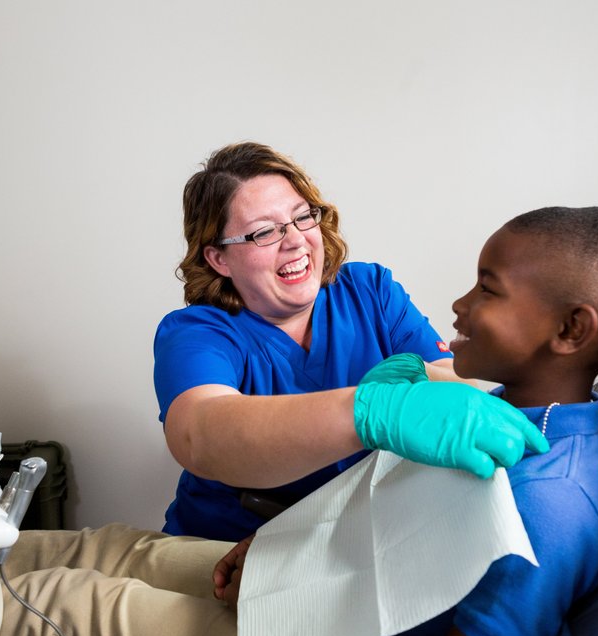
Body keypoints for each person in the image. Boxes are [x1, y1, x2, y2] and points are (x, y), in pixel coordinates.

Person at [213, 206, 598, 636]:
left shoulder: (549, 505)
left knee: (136, 593)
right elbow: (395, 532)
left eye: (488, 289)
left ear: (571, 329)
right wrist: (283, 551)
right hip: (312, 594)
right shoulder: (496, 414)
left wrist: (284, 612)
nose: (460, 304)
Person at [154, 141, 547, 541]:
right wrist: (371, 410)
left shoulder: (369, 290)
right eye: (264, 232)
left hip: (354, 537)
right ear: (219, 258)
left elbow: (451, 379)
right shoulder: (199, 332)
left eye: (302, 217)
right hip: (224, 550)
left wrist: (435, 379)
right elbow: (198, 434)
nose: (295, 241)